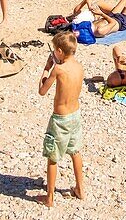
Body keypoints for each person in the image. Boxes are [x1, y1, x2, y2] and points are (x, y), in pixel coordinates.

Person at [38, 31, 85, 207]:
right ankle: (80, 188)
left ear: (58, 51)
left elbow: (42, 91)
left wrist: (46, 68)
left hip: (60, 119)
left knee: (53, 157)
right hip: (75, 115)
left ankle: (49, 197)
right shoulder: (79, 67)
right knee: (75, 151)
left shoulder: (58, 69)